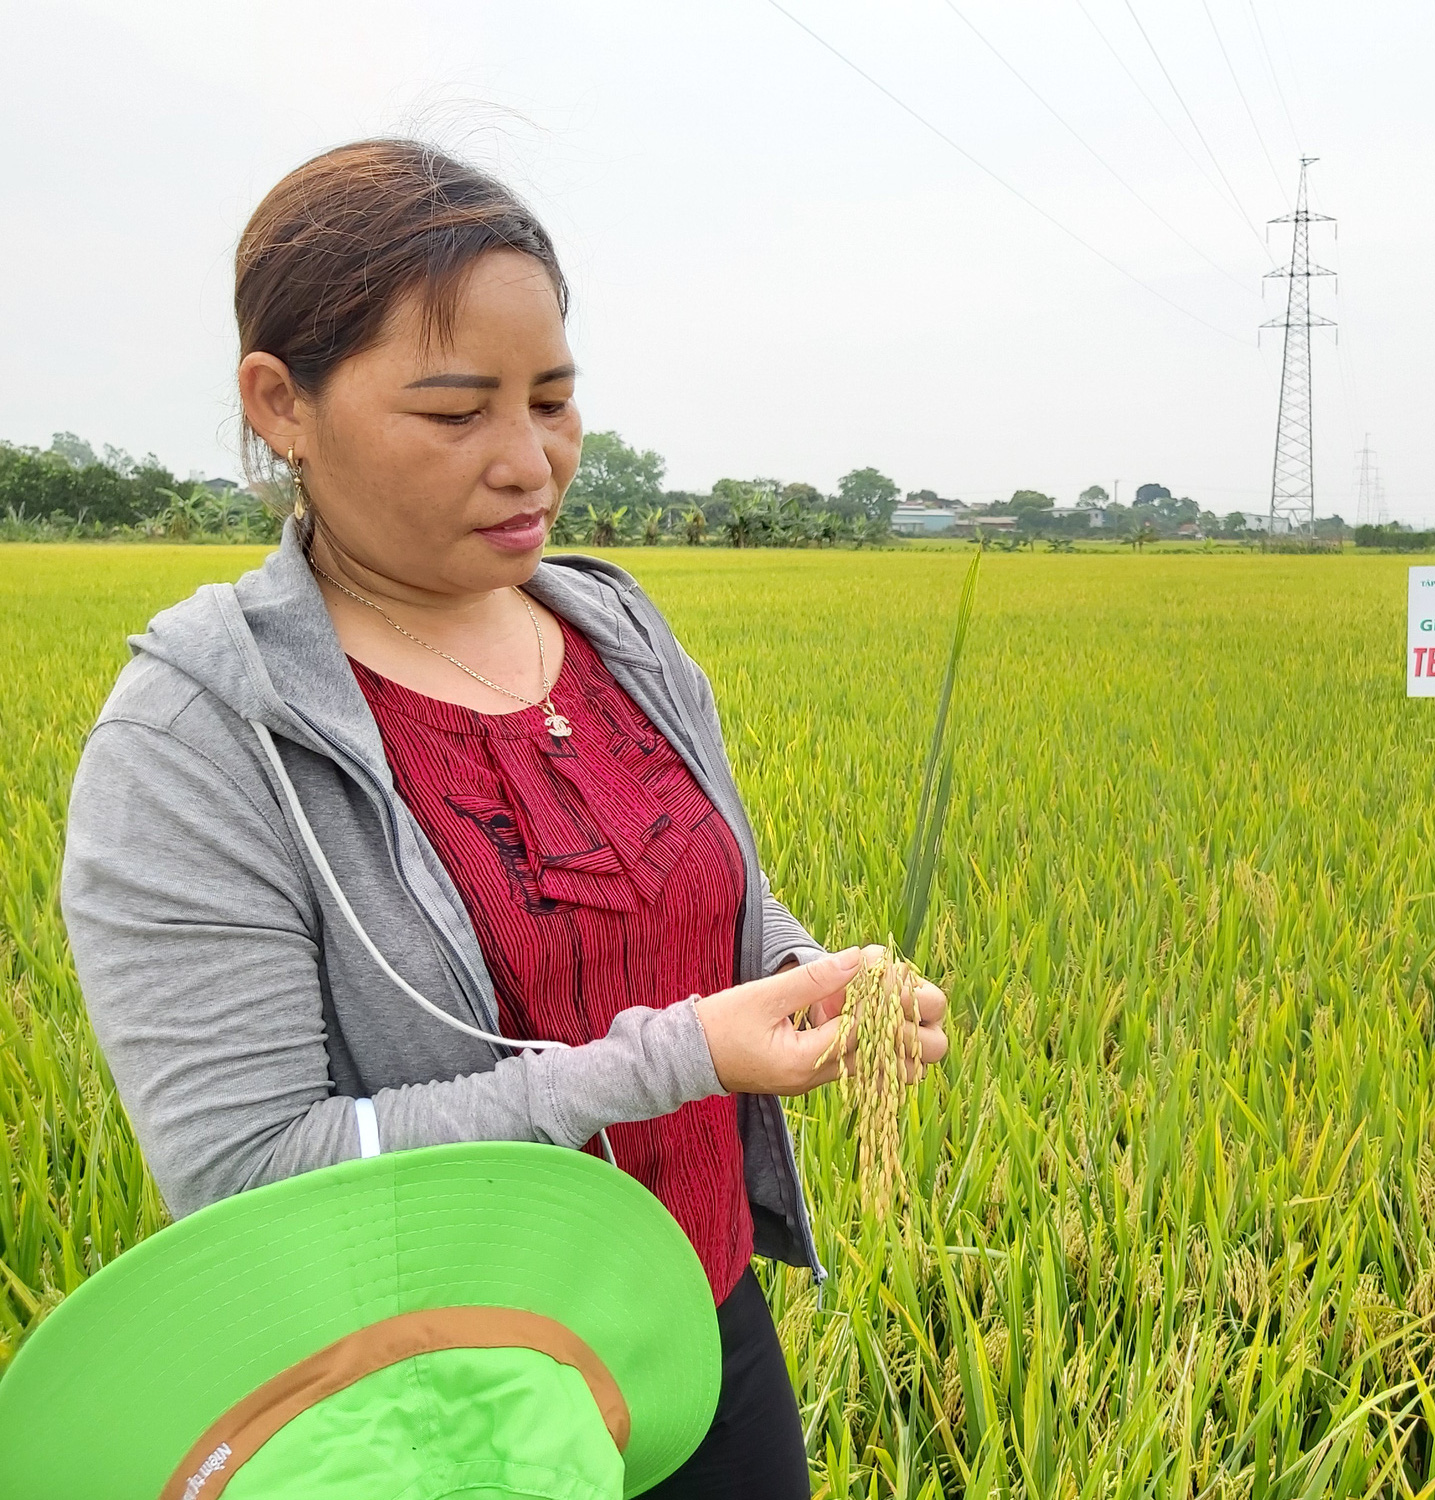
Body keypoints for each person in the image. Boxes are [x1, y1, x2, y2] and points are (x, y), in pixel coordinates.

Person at [59, 137, 948, 1498]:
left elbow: (711, 901)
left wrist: (805, 981)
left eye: (553, 400)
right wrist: (679, 1059)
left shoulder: (615, 634)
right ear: (279, 403)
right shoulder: (198, 738)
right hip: (437, 1409)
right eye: (455, 410)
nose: (530, 461)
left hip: (696, 1331)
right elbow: (253, 1175)